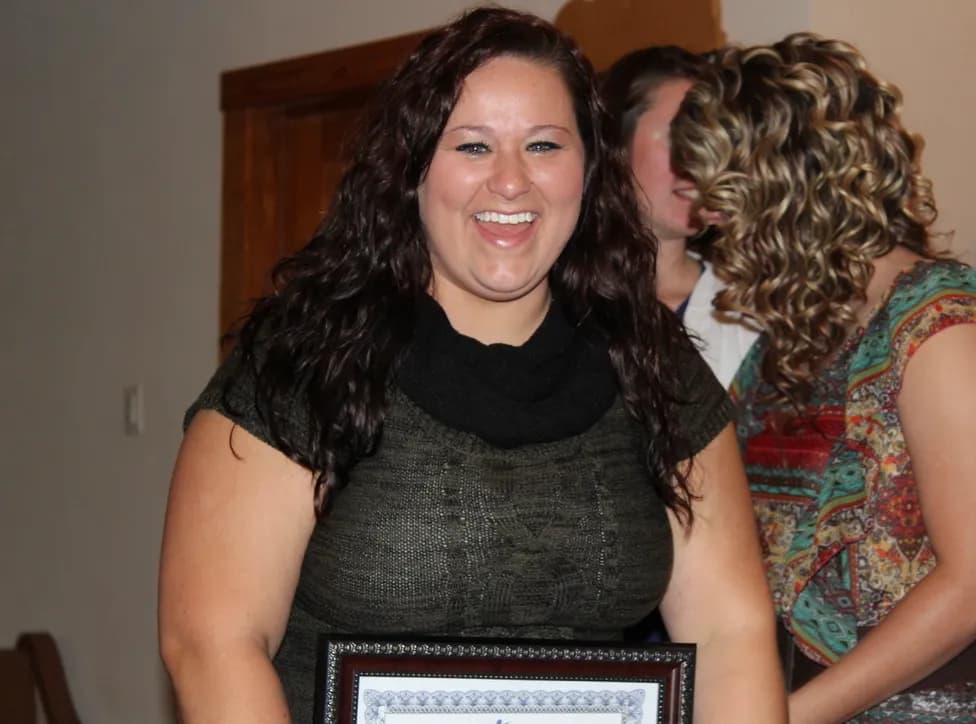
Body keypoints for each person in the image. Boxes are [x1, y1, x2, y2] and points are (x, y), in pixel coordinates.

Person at [157, 8, 785, 724]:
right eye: (473, 147)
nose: (512, 182)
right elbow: (210, 642)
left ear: (588, 168)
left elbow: (731, 633)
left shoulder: (654, 362)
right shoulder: (305, 358)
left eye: (545, 144)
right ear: (413, 169)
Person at [671, 33, 976, 722]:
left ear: (790, 186)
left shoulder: (946, 322)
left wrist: (789, 716)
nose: (708, 217)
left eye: (724, 191)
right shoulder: (791, 341)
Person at [602, 46, 758, 389]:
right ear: (614, 142)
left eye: (712, 141)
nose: (700, 161)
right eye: (680, 136)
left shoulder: (751, 308)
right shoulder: (556, 302)